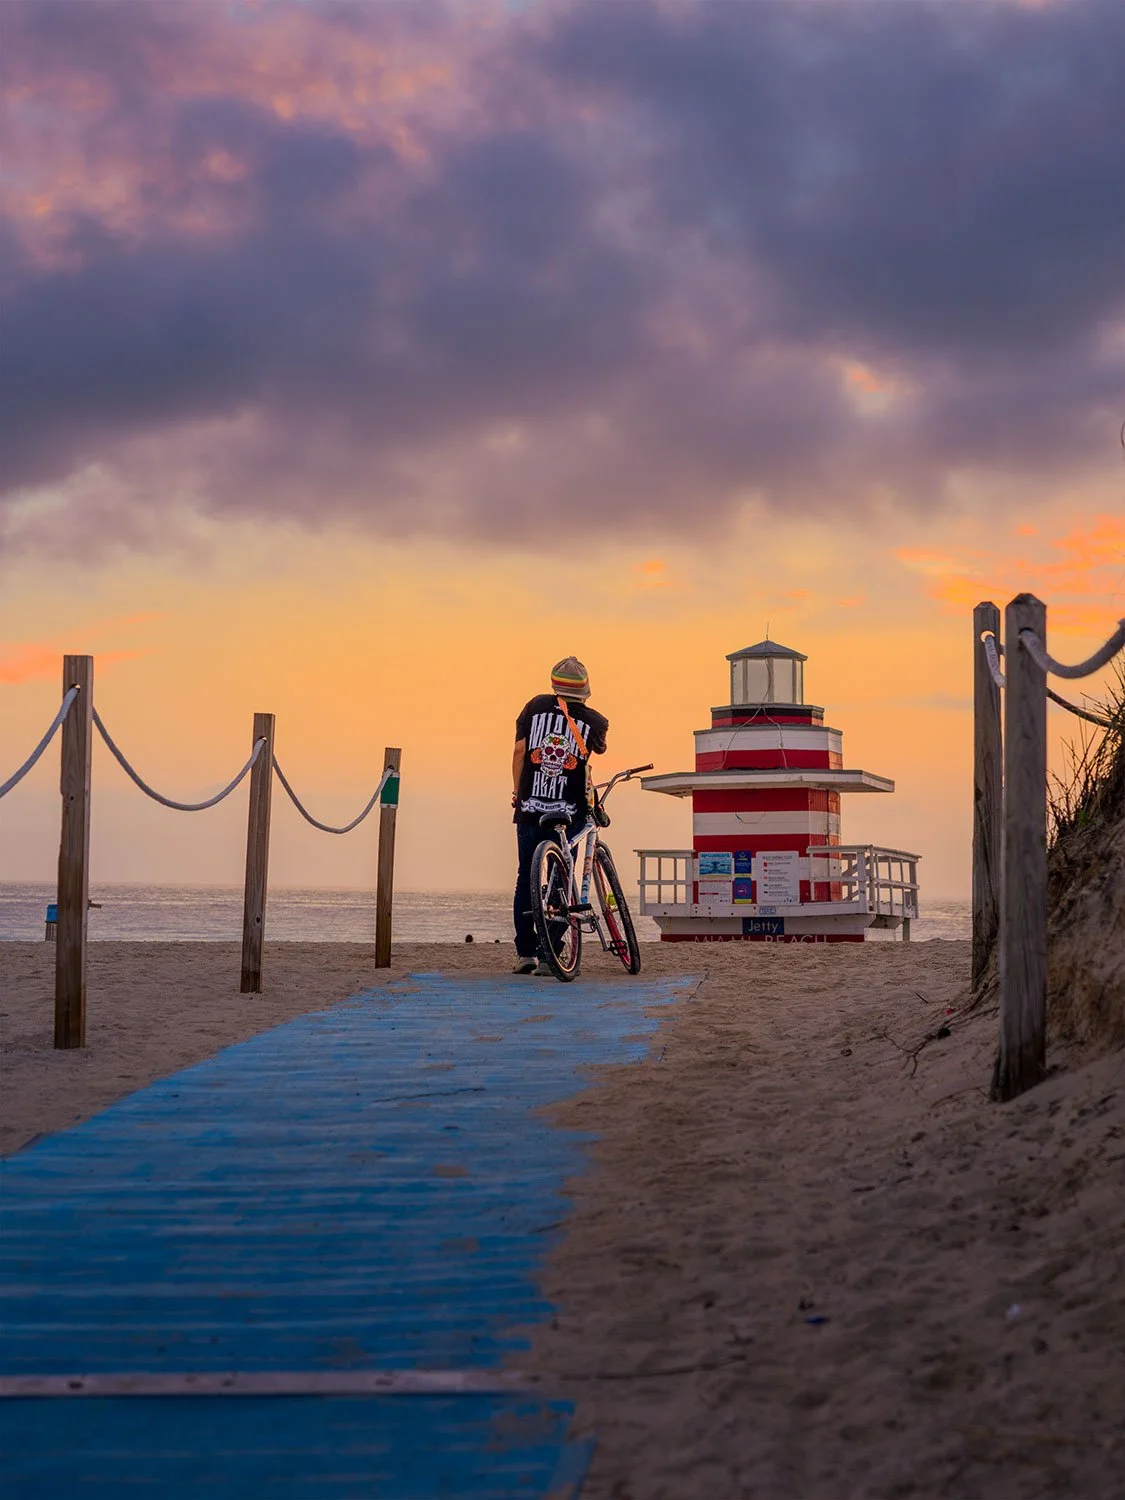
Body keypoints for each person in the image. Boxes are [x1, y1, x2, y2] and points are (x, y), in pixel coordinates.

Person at [511, 656, 609, 974]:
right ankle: (550, 953)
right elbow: (591, 757)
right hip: (569, 811)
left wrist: (518, 792)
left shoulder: (533, 706)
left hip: (530, 806)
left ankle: (526, 953)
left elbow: (518, 751)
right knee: (561, 881)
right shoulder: (596, 721)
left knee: (526, 875)